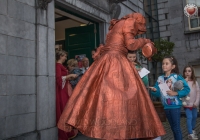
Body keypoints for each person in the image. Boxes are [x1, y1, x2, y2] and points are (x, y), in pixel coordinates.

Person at [58, 13, 166, 139]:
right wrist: (145, 41)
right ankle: (123, 128)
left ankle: (110, 128)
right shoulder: (130, 22)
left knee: (104, 96)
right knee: (124, 96)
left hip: (106, 61)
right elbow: (131, 44)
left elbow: (109, 46)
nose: (138, 31)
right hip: (116, 61)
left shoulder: (118, 25)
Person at [150, 56, 190, 140]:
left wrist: (176, 93)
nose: (164, 65)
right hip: (166, 107)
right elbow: (158, 94)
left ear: (173, 66)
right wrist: (154, 90)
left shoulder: (176, 77)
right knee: (173, 128)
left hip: (175, 107)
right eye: (163, 63)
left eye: (166, 63)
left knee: (176, 128)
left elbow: (187, 89)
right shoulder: (160, 79)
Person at [56, 50, 78, 140]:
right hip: (61, 91)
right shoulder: (57, 66)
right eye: (64, 56)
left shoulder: (61, 66)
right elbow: (58, 79)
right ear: (60, 56)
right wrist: (69, 76)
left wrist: (69, 77)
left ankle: (68, 131)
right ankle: (64, 132)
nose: (65, 58)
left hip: (64, 89)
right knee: (64, 109)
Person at [183, 66, 199, 139]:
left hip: (194, 104)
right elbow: (180, 91)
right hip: (187, 104)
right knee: (189, 117)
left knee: (194, 117)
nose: (187, 72)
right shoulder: (182, 82)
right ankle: (190, 133)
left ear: (192, 72)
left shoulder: (195, 82)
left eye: (189, 71)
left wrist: (197, 102)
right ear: (184, 73)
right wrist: (184, 82)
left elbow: (198, 92)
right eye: (186, 71)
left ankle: (192, 130)